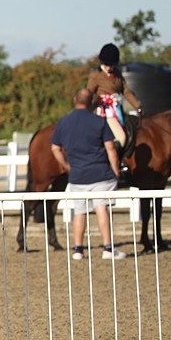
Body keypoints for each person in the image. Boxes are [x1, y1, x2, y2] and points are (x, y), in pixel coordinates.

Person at [51, 87, 128, 260]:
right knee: (101, 208)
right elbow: (111, 149)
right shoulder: (99, 121)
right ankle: (108, 248)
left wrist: (66, 166)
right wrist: (116, 170)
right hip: (101, 173)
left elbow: (55, 148)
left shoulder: (64, 122)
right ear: (92, 102)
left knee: (79, 211)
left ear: (74, 99)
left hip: (78, 175)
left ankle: (78, 249)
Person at [86, 43, 142, 155]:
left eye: (111, 65)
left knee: (133, 129)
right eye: (107, 64)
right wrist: (97, 100)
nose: (109, 67)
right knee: (121, 137)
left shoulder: (117, 73)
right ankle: (112, 162)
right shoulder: (96, 75)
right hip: (104, 111)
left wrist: (138, 106)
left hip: (118, 110)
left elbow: (125, 91)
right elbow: (89, 92)